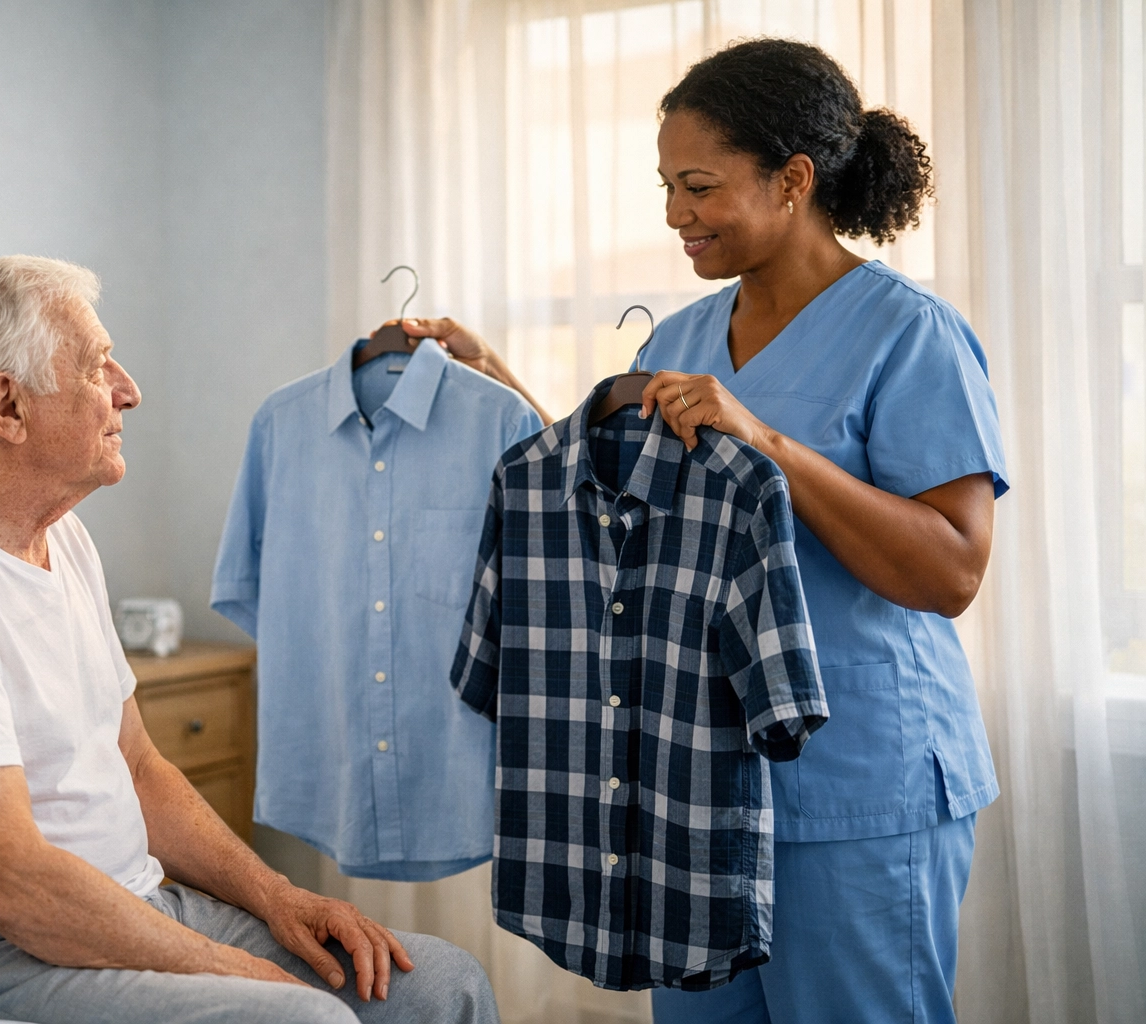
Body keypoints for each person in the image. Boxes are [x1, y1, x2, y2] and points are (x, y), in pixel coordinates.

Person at [390, 38, 1005, 1024]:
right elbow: (618, 504)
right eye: (668, 185)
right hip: (697, 791)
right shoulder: (679, 339)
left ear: (792, 180)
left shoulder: (908, 333)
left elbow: (955, 570)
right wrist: (496, 377)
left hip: (859, 788)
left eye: (701, 186)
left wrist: (767, 442)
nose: (676, 213)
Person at [0, 255, 500, 1024]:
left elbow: (139, 767)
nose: (128, 390)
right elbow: (0, 879)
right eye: (95, 367)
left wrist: (280, 900)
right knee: (301, 1019)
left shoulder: (62, 536)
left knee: (442, 984)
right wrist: (238, 972)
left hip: (124, 901)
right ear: (6, 405)